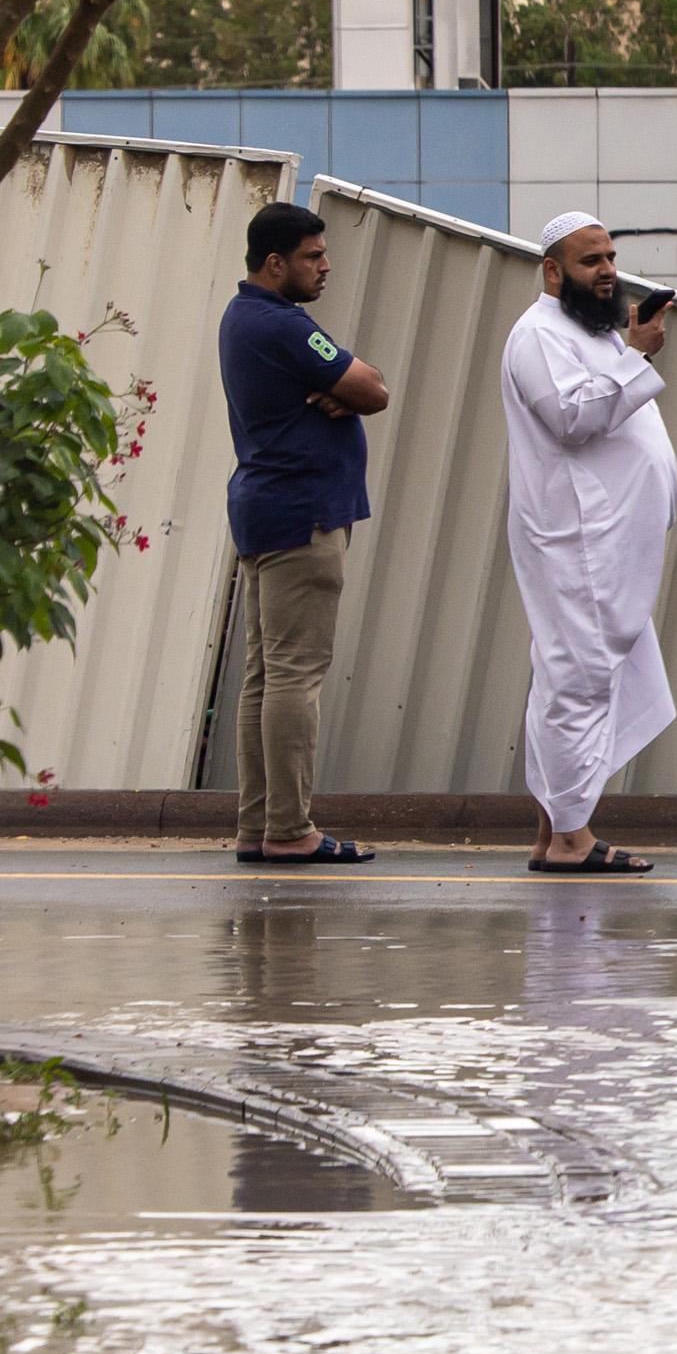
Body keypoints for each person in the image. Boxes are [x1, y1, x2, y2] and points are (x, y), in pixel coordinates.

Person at [501, 213, 677, 875]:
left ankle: (556, 831)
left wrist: (630, 349)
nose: (607, 270)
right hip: (574, 537)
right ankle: (571, 839)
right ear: (552, 271)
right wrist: (639, 355)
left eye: (610, 257)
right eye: (589, 261)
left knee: (569, 676)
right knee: (575, 681)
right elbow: (573, 417)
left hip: (601, 540)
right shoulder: (538, 334)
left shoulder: (592, 330)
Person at [217, 200, 390, 865]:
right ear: (274, 263)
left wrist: (339, 389)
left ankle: (258, 824)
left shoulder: (242, 318)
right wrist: (350, 388)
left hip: (264, 509)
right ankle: (291, 829)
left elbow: (353, 386)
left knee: (265, 676)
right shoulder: (285, 326)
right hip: (304, 513)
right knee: (295, 676)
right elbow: (375, 388)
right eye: (313, 256)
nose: (325, 266)